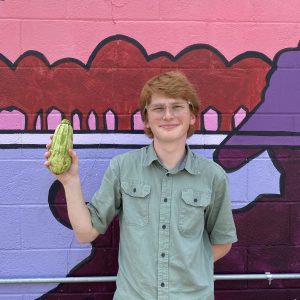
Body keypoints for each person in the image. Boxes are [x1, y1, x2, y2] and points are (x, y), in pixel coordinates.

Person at [44, 70, 237, 300]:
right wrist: (70, 181)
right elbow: (86, 233)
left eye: (177, 107)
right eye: (158, 108)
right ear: (146, 119)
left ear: (192, 116)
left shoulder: (213, 176)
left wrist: (189, 266)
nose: (168, 116)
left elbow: (222, 242)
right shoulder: (122, 168)